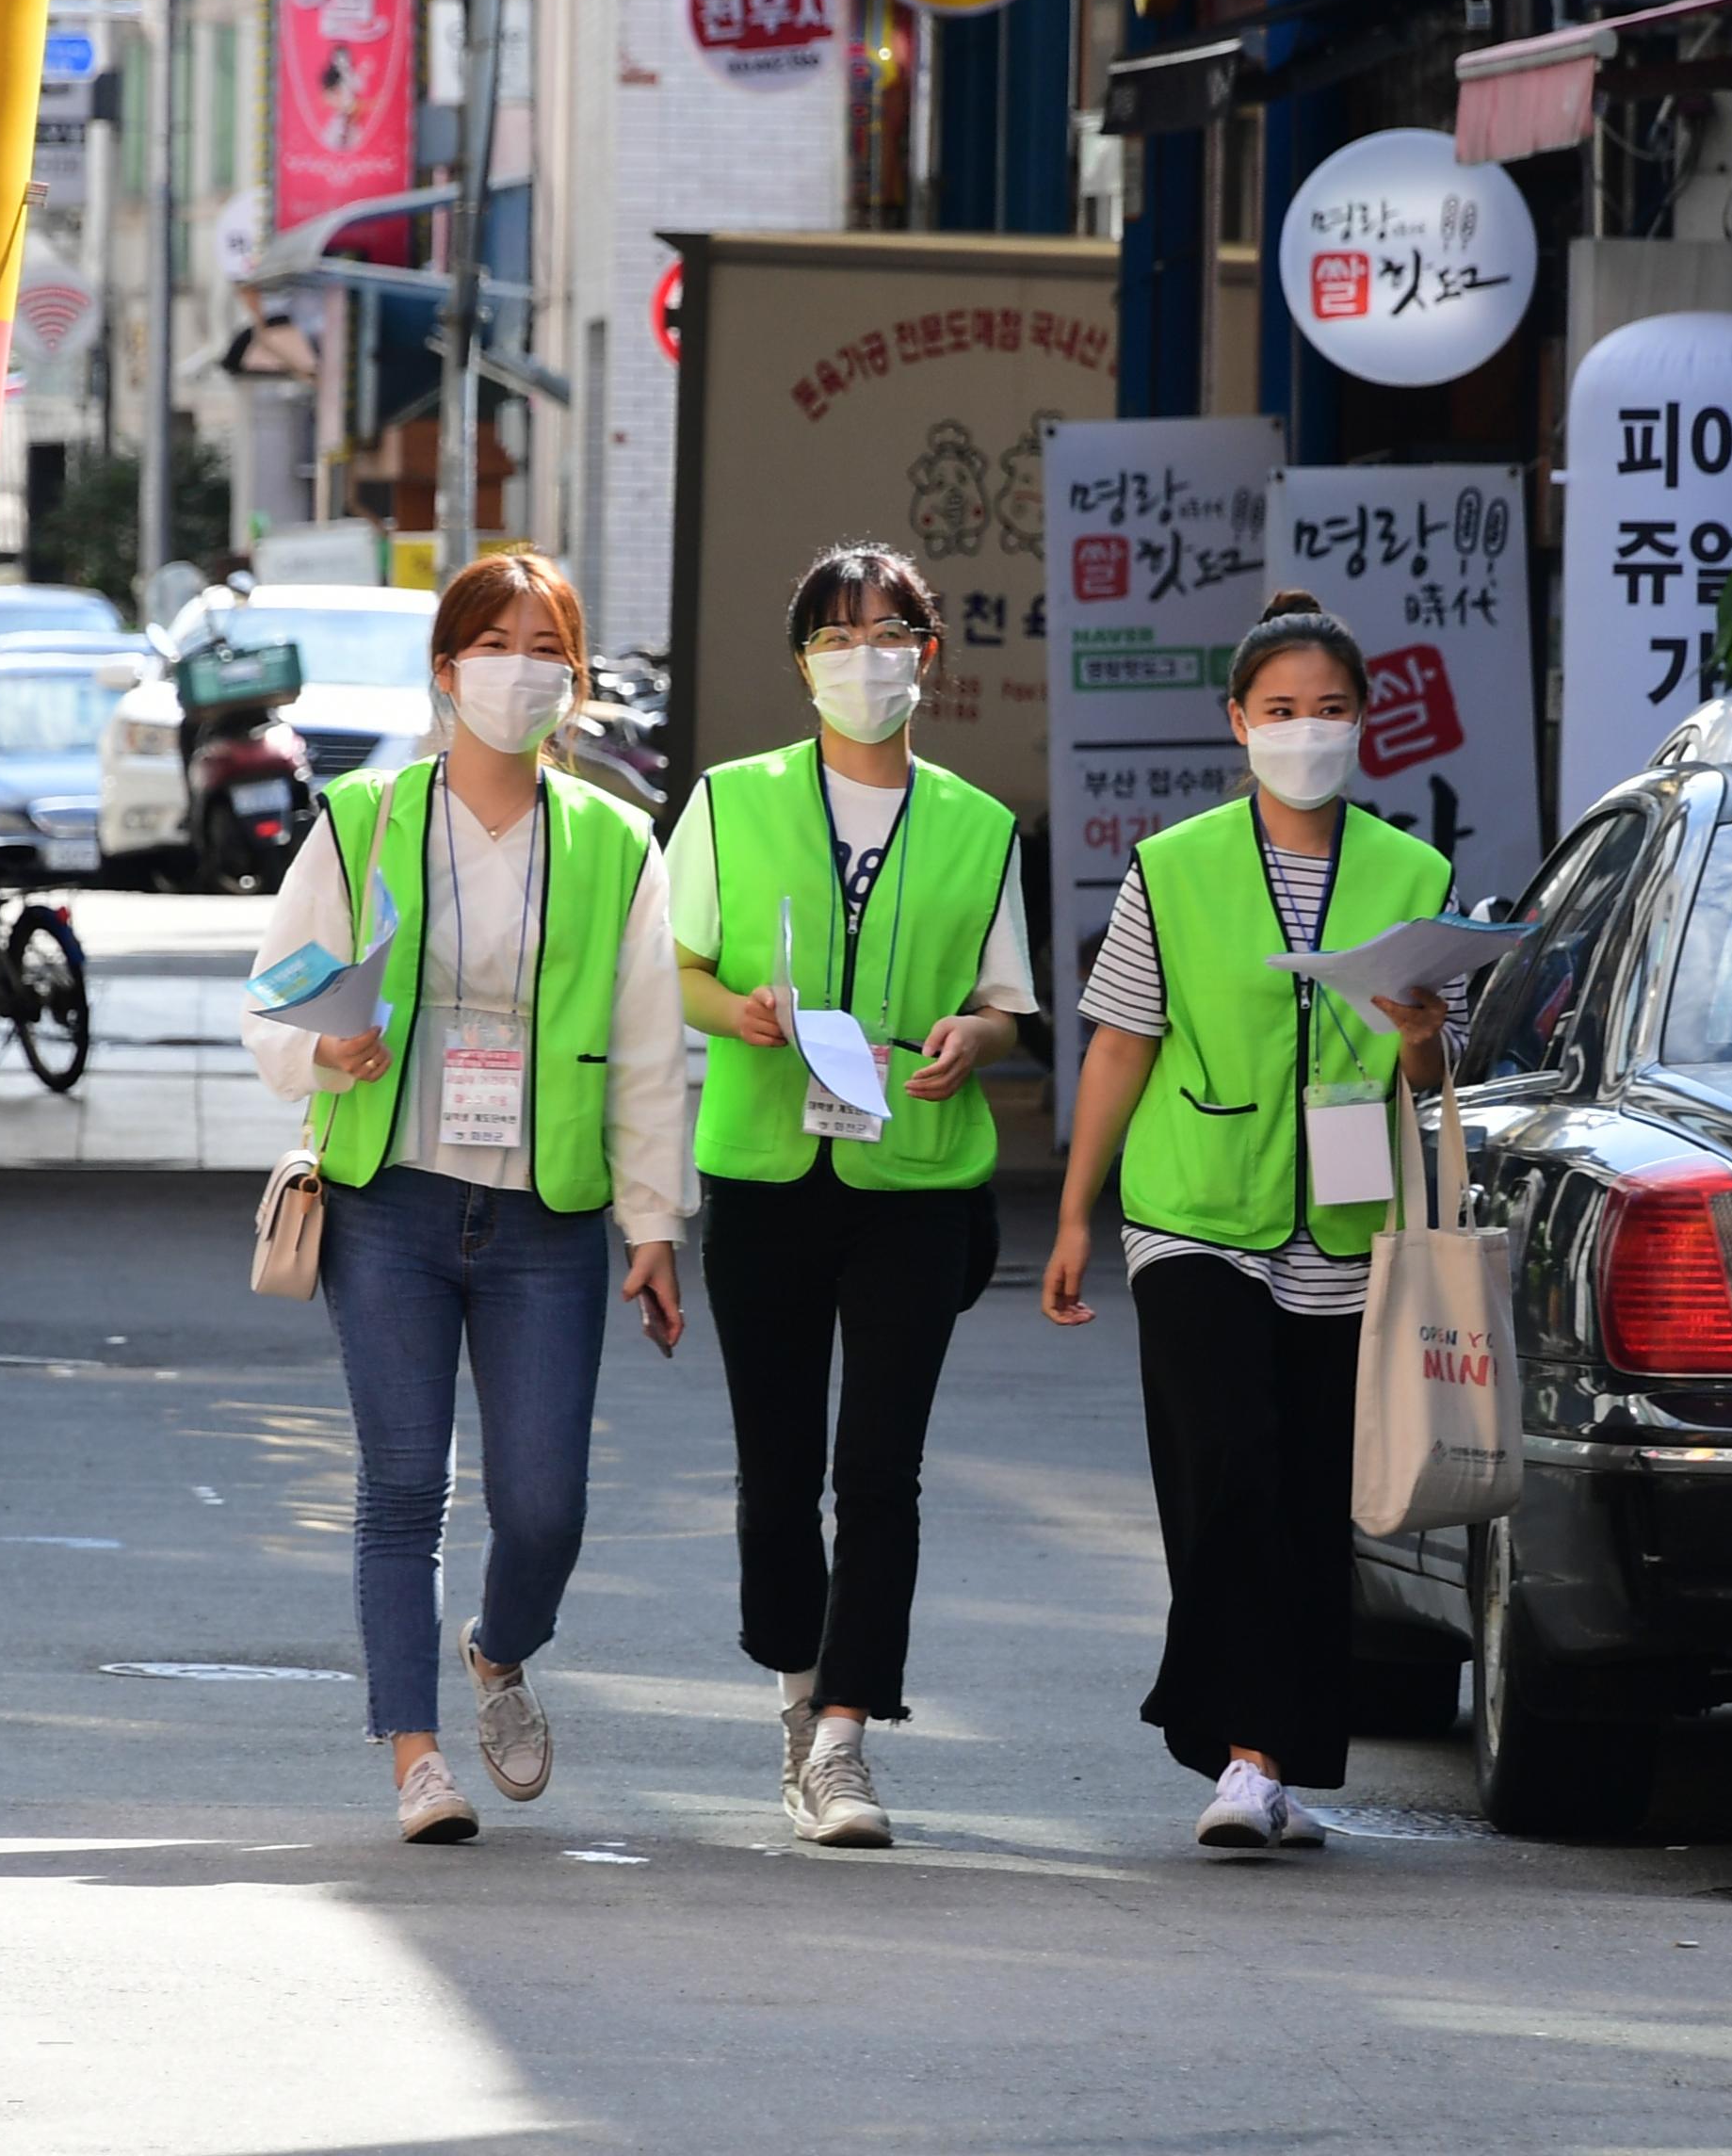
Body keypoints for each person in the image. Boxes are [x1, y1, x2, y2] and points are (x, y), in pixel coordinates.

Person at [242, 551, 694, 1845]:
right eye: (496, 644)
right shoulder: (368, 816)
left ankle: (501, 1649)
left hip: (546, 1219)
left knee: (544, 1503)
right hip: (390, 1202)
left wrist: (654, 1226)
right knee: (400, 1485)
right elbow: (274, 997)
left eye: (548, 647)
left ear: (578, 678)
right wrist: (325, 1048)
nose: (521, 670)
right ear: (446, 670)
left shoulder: (613, 844)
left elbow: (651, 1052)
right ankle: (416, 1756)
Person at [1038, 592, 1455, 1850]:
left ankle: (1265, 1761)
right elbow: (1118, 1045)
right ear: (1238, 723)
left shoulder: (1412, 875)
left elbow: (1436, 1084)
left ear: (1366, 726)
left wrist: (1426, 1042)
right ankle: (1231, 1746)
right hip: (1193, 1215)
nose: (1305, 731)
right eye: (1281, 711)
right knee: (1228, 1470)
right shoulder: (1175, 868)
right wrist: (1071, 1216)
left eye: (1329, 710)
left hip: (1340, 1224)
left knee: (1303, 1492)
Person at [671, 543, 1035, 1848]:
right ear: (802, 662)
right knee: (777, 1473)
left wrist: (968, 1041)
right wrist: (738, 1011)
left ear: (927, 656)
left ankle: (846, 1737)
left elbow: (1005, 1004)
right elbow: (682, 971)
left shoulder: (980, 824)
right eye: (837, 637)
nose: (865, 657)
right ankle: (792, 1683)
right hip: (766, 1166)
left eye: (889, 634)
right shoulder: (730, 801)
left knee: (880, 1469)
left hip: (915, 1181)